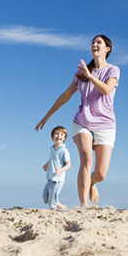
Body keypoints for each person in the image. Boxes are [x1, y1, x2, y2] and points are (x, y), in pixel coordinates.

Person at [35, 35, 120, 208]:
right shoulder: (81, 74)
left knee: (101, 173)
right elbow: (66, 96)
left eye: (99, 43)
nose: (94, 45)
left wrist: (91, 76)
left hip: (106, 125)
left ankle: (91, 183)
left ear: (107, 49)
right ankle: (83, 206)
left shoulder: (113, 70)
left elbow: (106, 90)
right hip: (83, 122)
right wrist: (47, 116)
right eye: (93, 43)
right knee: (86, 158)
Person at [41, 125, 71, 211]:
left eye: (62, 134)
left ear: (64, 138)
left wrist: (60, 170)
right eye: (57, 134)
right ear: (52, 137)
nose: (59, 136)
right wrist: (47, 164)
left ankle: (53, 212)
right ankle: (62, 207)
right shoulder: (52, 149)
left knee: (52, 199)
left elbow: (68, 165)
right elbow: (52, 158)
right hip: (50, 177)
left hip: (58, 179)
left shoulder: (64, 151)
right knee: (45, 197)